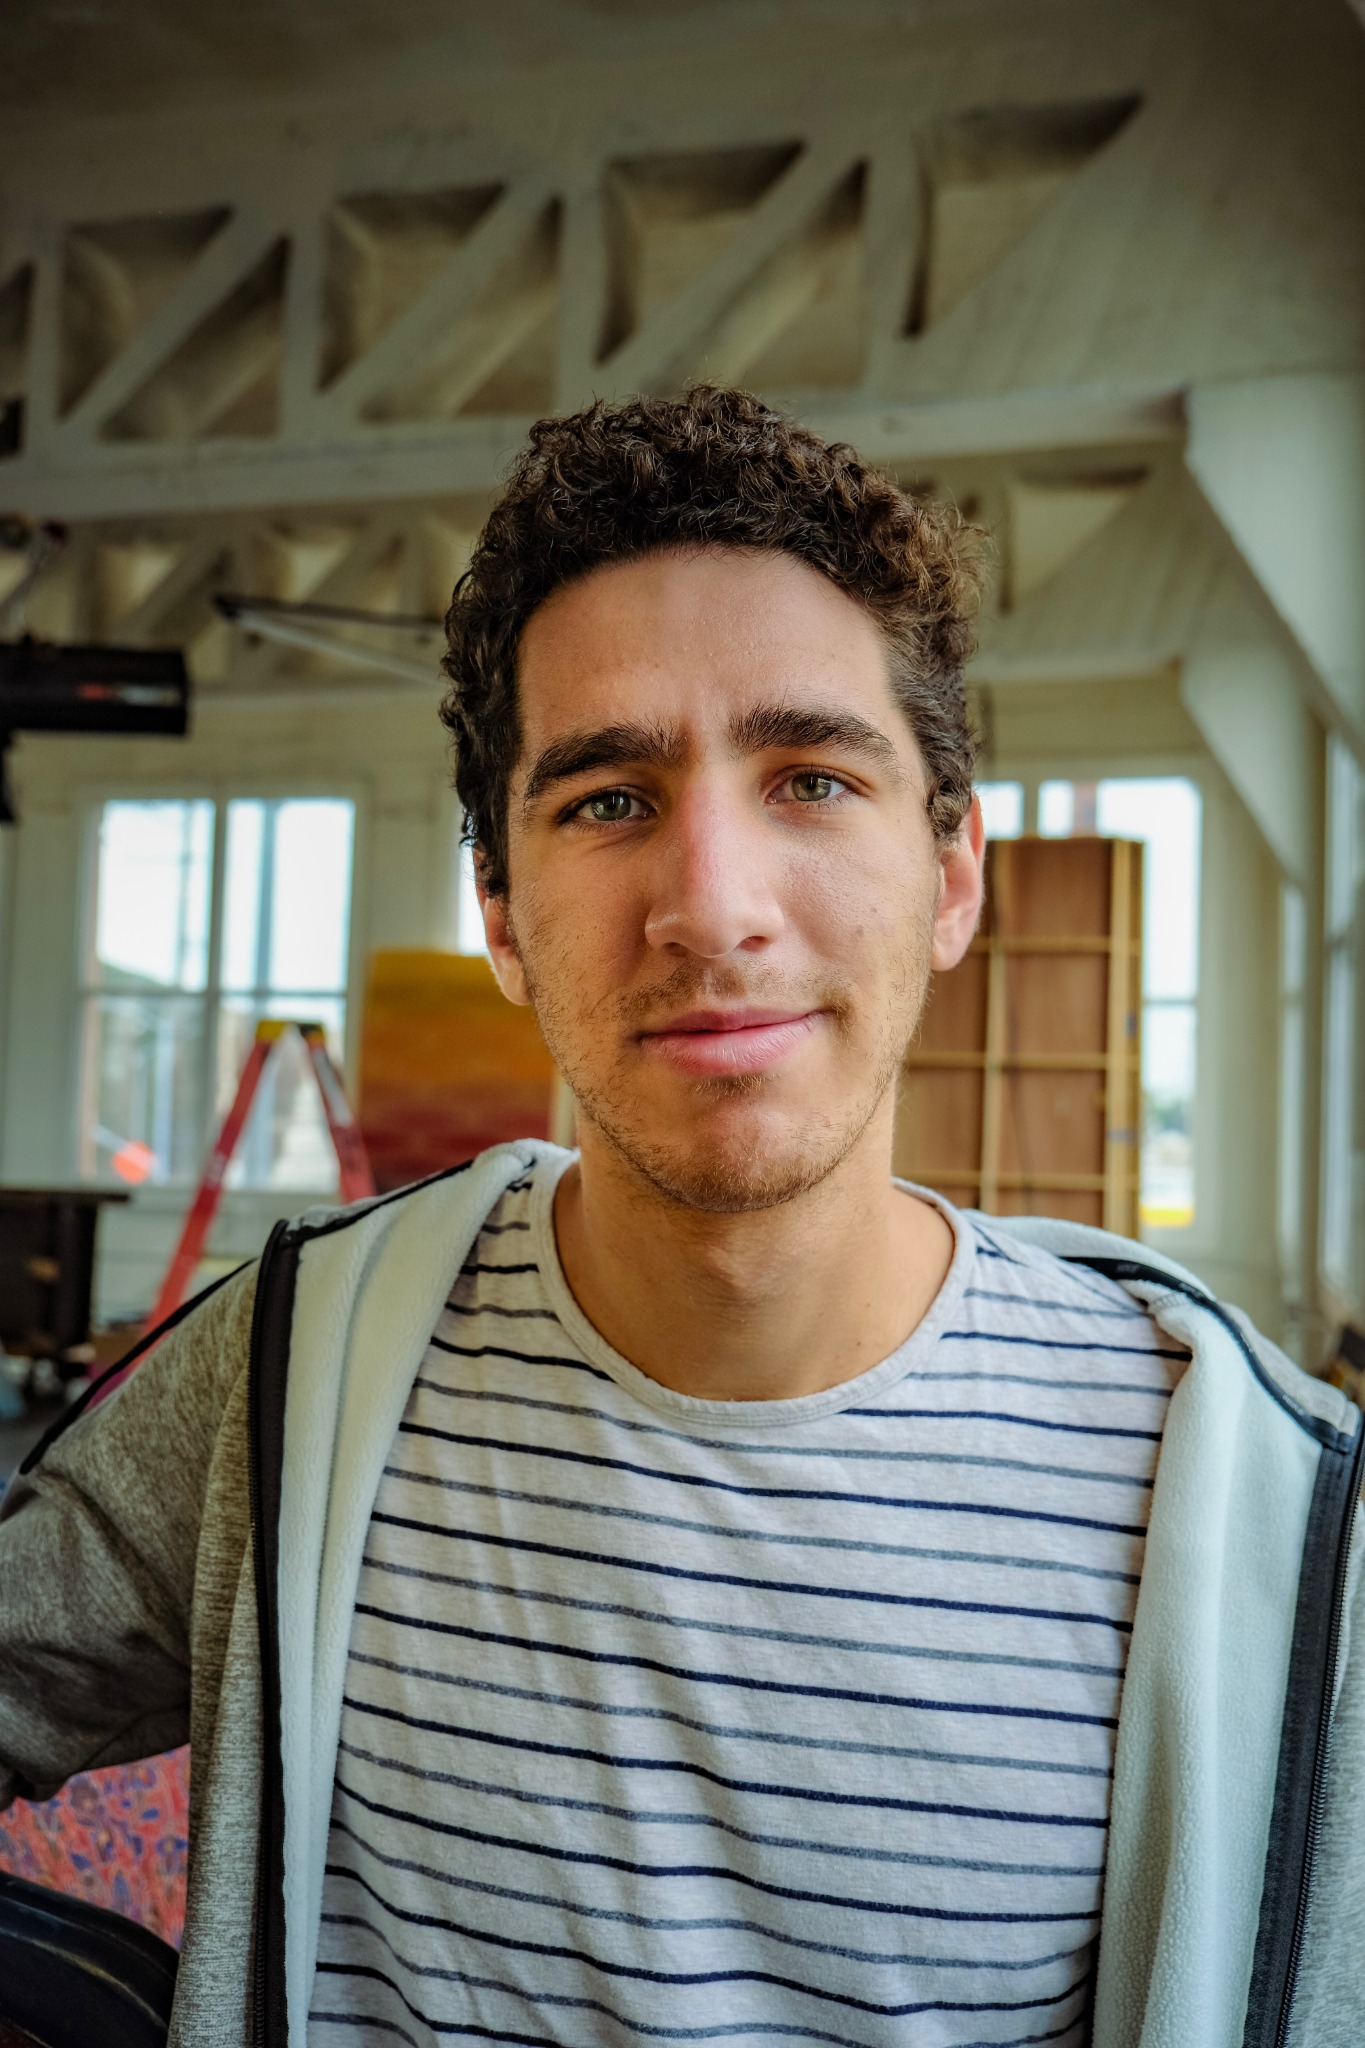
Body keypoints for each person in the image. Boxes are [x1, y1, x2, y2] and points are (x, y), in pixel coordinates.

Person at [1, 388, 1361, 2048]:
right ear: (501, 914)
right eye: (606, 800)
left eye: (811, 780)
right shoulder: (293, 1376)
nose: (713, 910)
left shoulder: (1257, 1517)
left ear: (951, 875)